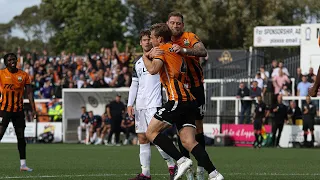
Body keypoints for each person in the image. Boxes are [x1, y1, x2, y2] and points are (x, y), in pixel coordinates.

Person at [143, 23, 224, 180]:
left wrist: (145, 56)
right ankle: (214, 174)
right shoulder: (176, 50)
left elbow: (153, 69)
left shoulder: (162, 50)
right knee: (188, 141)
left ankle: (181, 160)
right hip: (189, 100)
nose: (151, 41)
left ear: (159, 39)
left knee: (151, 132)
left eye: (152, 38)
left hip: (177, 99)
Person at [127, 29, 176, 180]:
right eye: (144, 40)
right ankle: (146, 174)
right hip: (140, 105)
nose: (147, 42)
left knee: (155, 137)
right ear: (140, 42)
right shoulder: (137, 62)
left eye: (149, 39)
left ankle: (172, 165)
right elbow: (134, 85)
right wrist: (130, 104)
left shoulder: (159, 55)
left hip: (154, 103)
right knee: (142, 138)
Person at [167, 12, 208, 179]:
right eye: (172, 23)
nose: (175, 25)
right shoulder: (165, 41)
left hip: (196, 89)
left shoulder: (189, 37)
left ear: (182, 25)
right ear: (167, 23)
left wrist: (183, 50)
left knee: (198, 129)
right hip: (178, 90)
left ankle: (201, 167)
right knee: (181, 131)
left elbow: (202, 50)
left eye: (178, 23)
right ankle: (187, 169)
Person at [0, 53, 36, 171]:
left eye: (14, 59)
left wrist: (33, 108)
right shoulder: (1, 74)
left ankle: (23, 165)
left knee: (21, 138)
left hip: (19, 111)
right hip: (4, 110)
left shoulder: (23, 75)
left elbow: (29, 92)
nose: (13, 61)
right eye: (10, 60)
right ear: (6, 63)